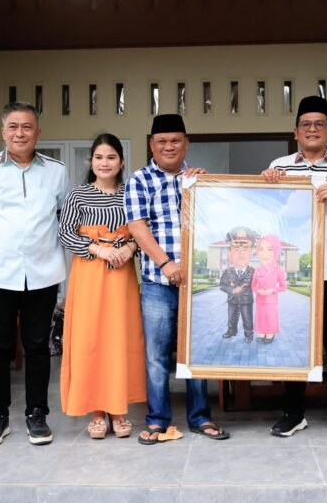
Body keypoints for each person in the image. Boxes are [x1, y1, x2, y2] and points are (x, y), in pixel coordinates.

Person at [262, 96, 327, 441]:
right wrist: (266, 185)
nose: (312, 129)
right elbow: (265, 215)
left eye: (319, 124)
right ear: (295, 132)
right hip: (293, 273)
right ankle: (294, 414)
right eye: (305, 124)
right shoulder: (279, 167)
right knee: (294, 343)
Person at [0, 102, 69, 447]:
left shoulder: (57, 171)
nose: (20, 133)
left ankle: (37, 414)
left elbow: (62, 216)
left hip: (43, 270)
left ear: (38, 132)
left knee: (37, 345)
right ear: (3, 132)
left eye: (27, 127)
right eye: (13, 127)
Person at [125, 113, 230, 445]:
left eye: (175, 140)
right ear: (151, 145)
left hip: (196, 283)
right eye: (162, 141)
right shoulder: (139, 180)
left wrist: (209, 188)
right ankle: (157, 420)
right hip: (157, 283)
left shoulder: (198, 180)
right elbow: (137, 227)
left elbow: (216, 223)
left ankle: (200, 417)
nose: (168, 146)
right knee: (157, 355)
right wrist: (166, 263)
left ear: (186, 143)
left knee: (195, 351)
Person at [58, 133, 146, 439]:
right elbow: (65, 233)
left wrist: (130, 248)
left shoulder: (131, 194)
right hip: (89, 277)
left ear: (121, 161)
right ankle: (96, 409)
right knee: (91, 339)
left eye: (111, 157)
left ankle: (118, 408)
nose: (104, 163)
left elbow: (144, 230)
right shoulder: (77, 195)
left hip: (122, 278)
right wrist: (98, 249)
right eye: (99, 157)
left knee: (120, 338)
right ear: (90, 161)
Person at [219, 226, 256, 343]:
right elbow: (222, 285)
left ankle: (249, 334)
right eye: (236, 249)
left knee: (247, 318)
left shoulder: (254, 272)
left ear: (251, 254)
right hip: (232, 299)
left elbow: (258, 285)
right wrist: (232, 290)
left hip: (246, 300)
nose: (241, 253)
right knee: (231, 317)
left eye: (245, 250)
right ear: (229, 254)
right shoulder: (228, 271)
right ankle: (231, 330)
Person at [251, 234, 287, 343]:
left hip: (272, 301)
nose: (264, 253)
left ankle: (270, 334)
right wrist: (259, 291)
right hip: (260, 300)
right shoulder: (257, 270)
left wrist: (273, 290)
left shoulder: (278, 270)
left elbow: (283, 286)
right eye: (261, 249)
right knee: (261, 317)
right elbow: (253, 286)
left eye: (269, 249)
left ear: (275, 251)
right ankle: (261, 333)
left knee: (271, 317)